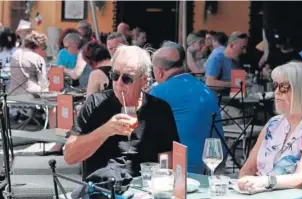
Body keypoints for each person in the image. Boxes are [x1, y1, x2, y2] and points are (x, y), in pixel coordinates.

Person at [64, 45, 180, 177]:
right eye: (114, 75)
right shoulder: (95, 103)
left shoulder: (159, 109)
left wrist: (161, 181)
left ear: (144, 80)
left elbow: (167, 157)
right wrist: (105, 130)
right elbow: (69, 156)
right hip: (103, 189)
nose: (118, 83)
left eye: (127, 78)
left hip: (143, 190)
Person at [238, 61, 302, 199]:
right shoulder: (273, 124)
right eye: (275, 86)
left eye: (284, 87)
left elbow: (300, 178)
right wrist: (245, 184)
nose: (277, 92)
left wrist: (264, 182)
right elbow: (248, 168)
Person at [150, 42, 225, 173]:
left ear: (160, 72)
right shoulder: (204, 88)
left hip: (183, 168)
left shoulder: (158, 92)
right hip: (216, 162)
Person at [7, 31, 49, 96]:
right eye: (44, 47)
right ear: (39, 45)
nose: (44, 51)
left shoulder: (14, 54)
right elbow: (43, 83)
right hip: (31, 96)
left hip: (13, 94)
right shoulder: (38, 58)